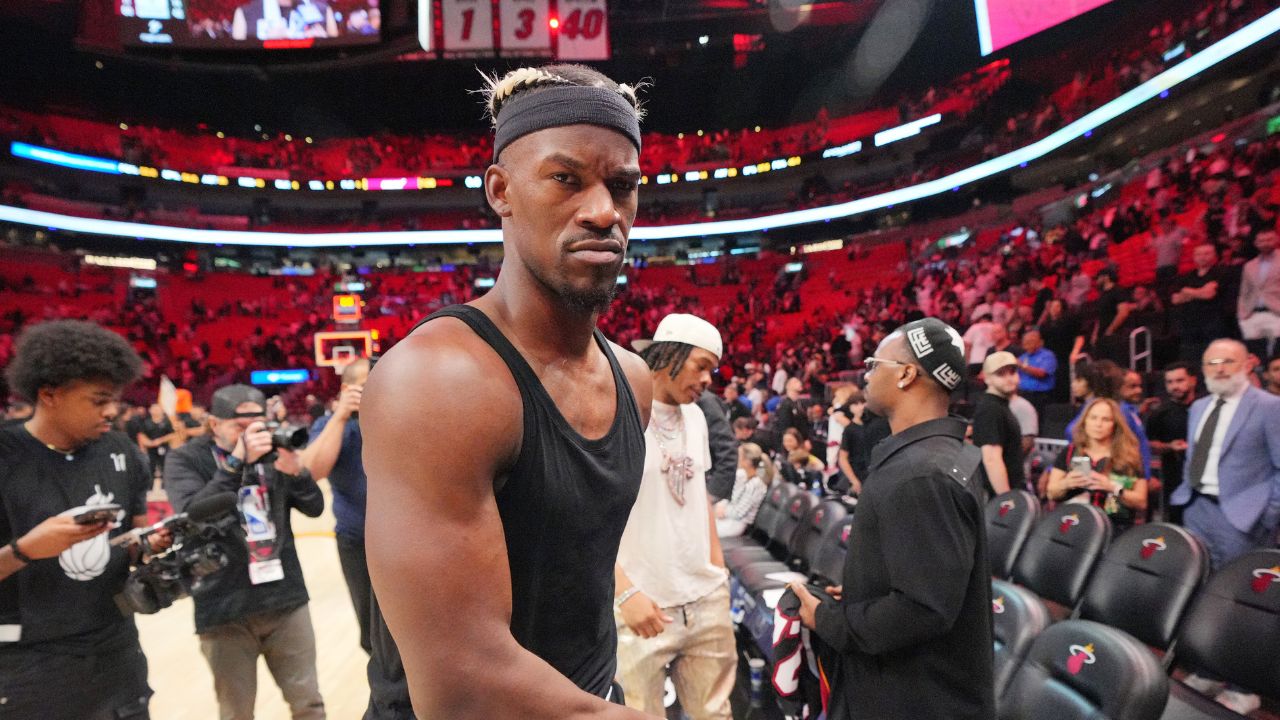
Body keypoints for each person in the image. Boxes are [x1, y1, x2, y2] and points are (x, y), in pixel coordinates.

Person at [360, 64, 654, 719]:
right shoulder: (436, 383)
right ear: (501, 190)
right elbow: (461, 685)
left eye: (623, 186)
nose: (604, 211)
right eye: (565, 179)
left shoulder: (633, 381)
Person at [790, 318, 995, 720]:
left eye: (874, 363)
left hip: (914, 699)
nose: (866, 373)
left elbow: (922, 608)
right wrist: (859, 597)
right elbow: (924, 575)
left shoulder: (921, 474)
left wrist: (830, 621)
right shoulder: (935, 457)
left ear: (905, 374)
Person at [0, 320, 169, 719]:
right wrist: (25, 550)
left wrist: (149, 545)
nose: (112, 410)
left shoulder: (120, 450)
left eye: (115, 399)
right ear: (49, 395)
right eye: (98, 400)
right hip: (26, 663)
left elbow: (132, 541)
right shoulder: (6, 456)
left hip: (116, 651)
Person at [163, 384, 326, 720]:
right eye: (240, 426)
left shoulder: (272, 454)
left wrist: (297, 471)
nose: (252, 433)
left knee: (309, 705)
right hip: (223, 605)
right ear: (213, 424)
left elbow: (314, 508)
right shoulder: (186, 459)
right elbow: (193, 513)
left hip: (285, 599)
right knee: (236, 712)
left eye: (259, 424)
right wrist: (236, 463)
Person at [614, 313, 735, 719]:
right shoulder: (618, 414)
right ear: (670, 354)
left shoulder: (698, 417)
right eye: (702, 366)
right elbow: (586, 518)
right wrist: (625, 593)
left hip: (705, 598)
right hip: (641, 605)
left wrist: (719, 572)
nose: (707, 380)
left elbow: (699, 497)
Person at [1170, 340, 1280, 715]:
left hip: (1241, 517)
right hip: (1197, 507)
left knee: (1242, 603)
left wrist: (1268, 514)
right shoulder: (1199, 406)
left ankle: (1242, 685)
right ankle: (1207, 668)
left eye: (1227, 361)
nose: (1218, 368)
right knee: (1203, 596)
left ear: (1247, 363)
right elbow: (1193, 456)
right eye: (1211, 362)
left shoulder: (1270, 407)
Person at [299, 358, 372, 653]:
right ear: (347, 389)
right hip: (359, 541)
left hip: (409, 541)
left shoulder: (405, 415)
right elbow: (311, 472)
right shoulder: (331, 425)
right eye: (368, 385)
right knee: (370, 631)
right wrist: (340, 416)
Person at [1046, 398, 1149, 531]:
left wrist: (1112, 487)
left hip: (1114, 528)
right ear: (1085, 421)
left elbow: (1141, 502)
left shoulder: (1129, 457)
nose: (1098, 424)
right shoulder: (1070, 451)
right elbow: (1051, 493)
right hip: (1075, 526)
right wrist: (1067, 483)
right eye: (1093, 418)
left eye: (1105, 419)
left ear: (1115, 425)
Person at [973, 351, 1025, 496]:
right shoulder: (991, 408)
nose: (1009, 378)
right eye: (1000, 374)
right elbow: (991, 459)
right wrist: (1006, 500)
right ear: (987, 378)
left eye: (1012, 372)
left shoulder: (998, 406)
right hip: (997, 497)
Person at [1171, 243, 1226, 362]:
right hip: (1189, 325)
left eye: (1207, 253)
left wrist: (1186, 291)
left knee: (1213, 358)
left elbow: (1208, 294)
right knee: (1190, 360)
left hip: (1213, 324)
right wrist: (1200, 291)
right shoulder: (1186, 276)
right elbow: (1176, 299)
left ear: (1215, 255)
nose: (1202, 257)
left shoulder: (1221, 272)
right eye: (1198, 254)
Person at [1236, 229, 1280, 359]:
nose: (1265, 243)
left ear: (1276, 240)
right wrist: (1242, 314)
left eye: (1269, 240)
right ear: (1255, 243)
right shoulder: (1250, 265)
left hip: (1276, 312)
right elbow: (1244, 291)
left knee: (1276, 354)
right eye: (1261, 241)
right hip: (1252, 314)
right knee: (1255, 356)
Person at [715, 443, 773, 537]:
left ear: (747, 461)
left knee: (706, 533)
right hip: (727, 519)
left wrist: (724, 511)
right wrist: (720, 507)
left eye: (738, 456)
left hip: (736, 524)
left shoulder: (757, 484)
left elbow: (739, 513)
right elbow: (733, 498)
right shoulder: (743, 477)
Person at [1016, 328, 1056, 415]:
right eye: (1025, 341)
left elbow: (1041, 373)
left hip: (1040, 396)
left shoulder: (1047, 355)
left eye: (1030, 341)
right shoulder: (1023, 357)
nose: (1027, 344)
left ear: (1040, 342)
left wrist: (1023, 366)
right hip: (1023, 394)